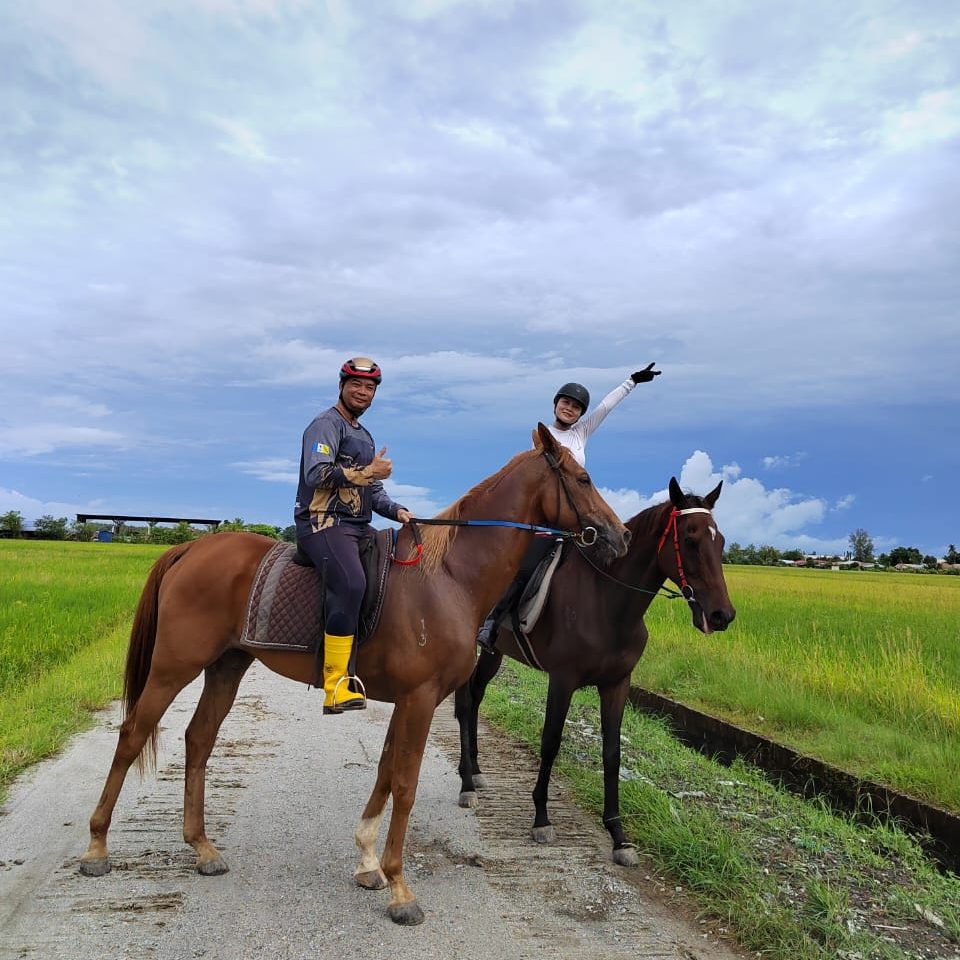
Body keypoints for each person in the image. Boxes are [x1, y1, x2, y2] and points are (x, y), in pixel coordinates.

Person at [475, 363, 661, 652]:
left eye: (576, 406)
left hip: (575, 521)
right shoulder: (542, 438)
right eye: (566, 402)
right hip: (546, 522)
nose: (570, 408)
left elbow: (605, 407)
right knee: (524, 569)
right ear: (555, 404)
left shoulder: (581, 433)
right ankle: (491, 625)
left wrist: (631, 382)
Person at [295, 357, 413, 713]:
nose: (363, 392)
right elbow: (317, 474)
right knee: (351, 584)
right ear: (342, 386)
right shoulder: (325, 425)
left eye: (370, 387)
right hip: (322, 522)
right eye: (356, 385)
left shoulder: (363, 434)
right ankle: (335, 685)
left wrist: (397, 511)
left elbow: (371, 491)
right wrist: (368, 471)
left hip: (358, 524)